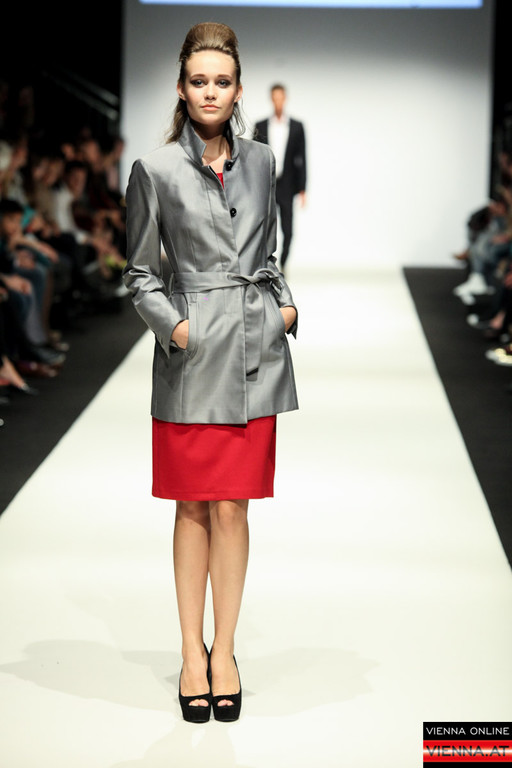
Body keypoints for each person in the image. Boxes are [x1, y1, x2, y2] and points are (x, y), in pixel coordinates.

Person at [123, 22, 298, 723]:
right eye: (199, 81)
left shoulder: (262, 162)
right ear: (181, 87)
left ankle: (223, 650)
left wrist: (284, 307)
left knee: (234, 506)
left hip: (254, 351)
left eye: (221, 81)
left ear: (238, 88)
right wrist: (179, 328)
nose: (210, 92)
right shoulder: (156, 170)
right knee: (192, 504)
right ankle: (190, 655)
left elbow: (270, 255)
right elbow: (140, 274)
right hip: (193, 357)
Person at [254, 84, 306, 274]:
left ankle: (283, 263)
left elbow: (302, 158)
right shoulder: (260, 126)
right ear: (271, 99)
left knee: (288, 230)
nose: (278, 101)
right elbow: (253, 158)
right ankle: (268, 265)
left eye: (280, 97)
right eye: (274, 97)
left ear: (285, 98)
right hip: (266, 184)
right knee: (265, 227)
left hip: (287, 184)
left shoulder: (297, 127)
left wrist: (303, 189)